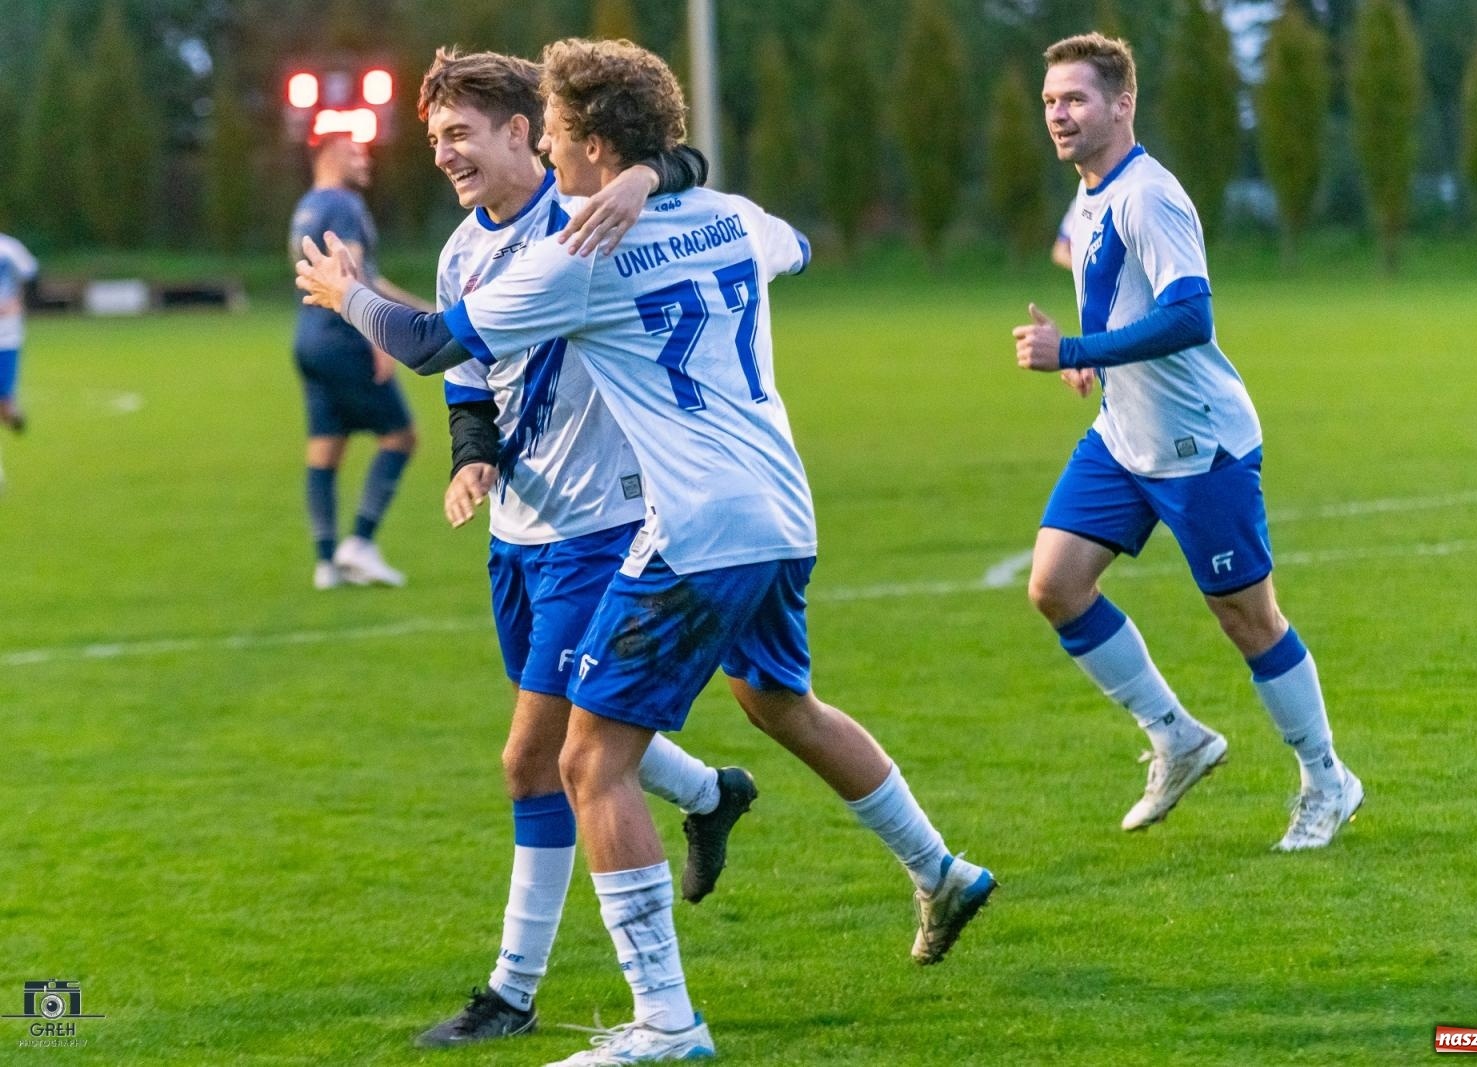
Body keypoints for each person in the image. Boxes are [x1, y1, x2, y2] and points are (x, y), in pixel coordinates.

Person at [296, 38, 995, 1066]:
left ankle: (665, 1020)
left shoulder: (581, 255)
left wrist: (344, 293)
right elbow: (786, 240)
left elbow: (437, 343)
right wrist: (662, 175)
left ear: (568, 140)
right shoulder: (731, 218)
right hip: (779, 510)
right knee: (773, 699)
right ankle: (939, 868)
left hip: (683, 522)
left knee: (583, 762)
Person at [402, 47, 757, 1050]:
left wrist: (651, 170)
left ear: (527, 131)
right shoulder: (461, 249)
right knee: (582, 742)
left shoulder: (594, 210)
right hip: (518, 532)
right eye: (435, 142)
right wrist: (472, 457)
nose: (446, 157)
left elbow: (685, 177)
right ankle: (711, 789)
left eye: (461, 135)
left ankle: (512, 990)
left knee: (537, 760)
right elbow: (467, 375)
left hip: (604, 529)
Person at [1011, 33, 1361, 851]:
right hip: (1125, 440)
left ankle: (1327, 777)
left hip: (1201, 446)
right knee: (1056, 585)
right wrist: (1091, 361)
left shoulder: (1149, 195)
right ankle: (1178, 736)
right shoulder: (1091, 195)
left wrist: (1076, 350)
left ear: (1122, 103)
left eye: (1076, 99)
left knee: (1248, 619)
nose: (1059, 115)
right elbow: (1119, 295)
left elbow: (1191, 313)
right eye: (1050, 102)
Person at [288, 134, 428, 589]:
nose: (364, 159)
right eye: (354, 152)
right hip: (345, 338)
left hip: (308, 340)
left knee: (325, 448)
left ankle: (326, 563)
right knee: (401, 437)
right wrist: (382, 339)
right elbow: (356, 280)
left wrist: (425, 313)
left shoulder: (306, 206)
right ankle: (360, 543)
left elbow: (366, 278)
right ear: (328, 157)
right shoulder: (345, 206)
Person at [0, 231, 39, 487]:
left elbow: (33, 276)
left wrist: (18, 302)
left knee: (4, 404)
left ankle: (12, 414)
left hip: (7, 337)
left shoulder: (9, 248)